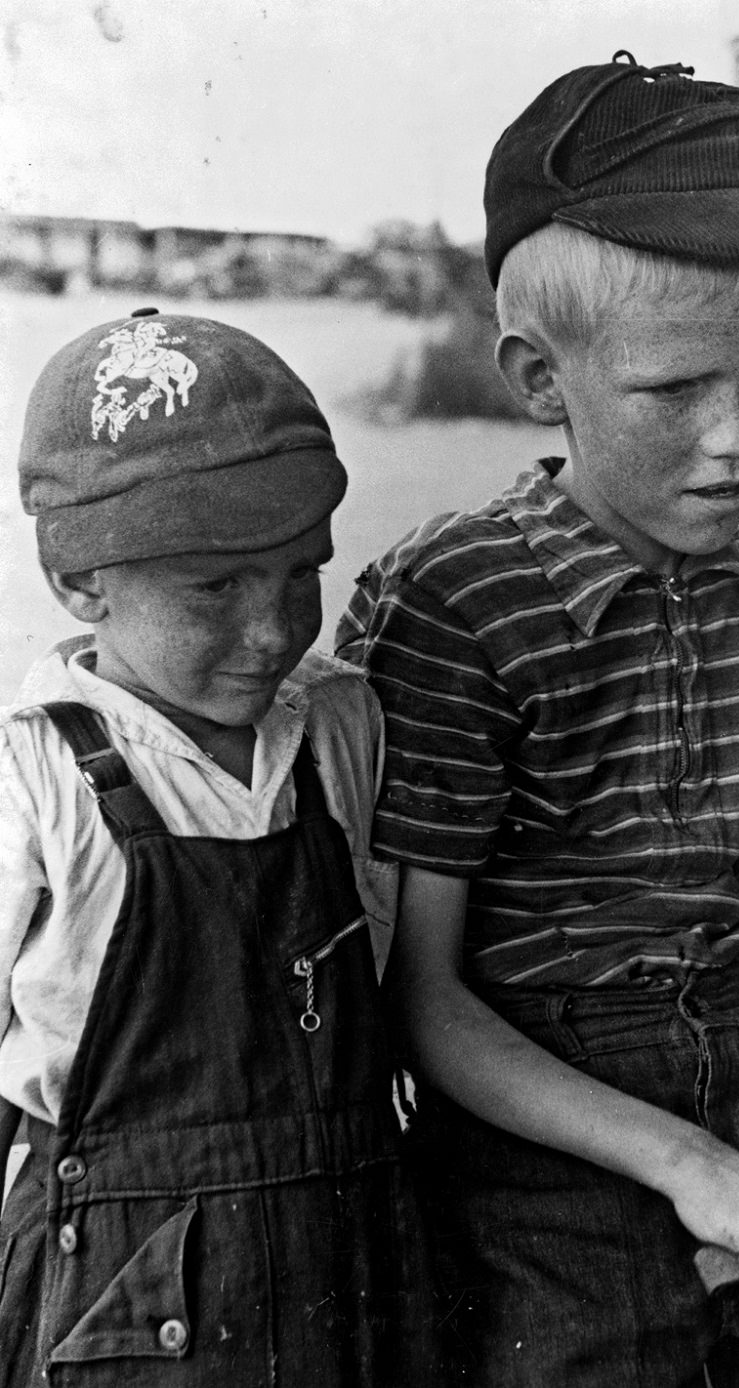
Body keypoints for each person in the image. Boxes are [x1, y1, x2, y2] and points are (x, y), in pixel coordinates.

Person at [336, 52, 739, 1387]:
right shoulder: (458, 604)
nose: (736, 438)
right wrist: (697, 1168)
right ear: (539, 377)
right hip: (542, 1144)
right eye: (673, 389)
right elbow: (427, 998)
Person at [0, 310, 432, 1386]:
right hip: (123, 1317)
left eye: (300, 574)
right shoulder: (32, 775)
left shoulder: (340, 725)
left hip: (354, 1277)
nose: (273, 629)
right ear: (80, 581)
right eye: (215, 588)